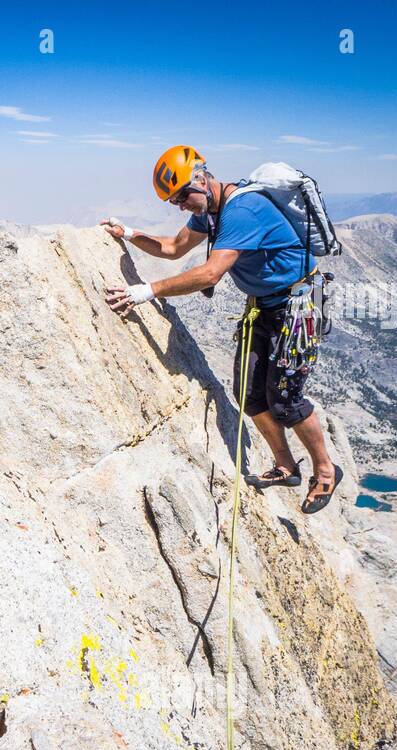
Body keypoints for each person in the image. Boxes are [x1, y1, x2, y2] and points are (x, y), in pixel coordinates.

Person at [103, 145, 343, 514]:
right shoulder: (210, 212)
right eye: (174, 201)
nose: (181, 205)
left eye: (182, 195)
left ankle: (326, 471)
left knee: (286, 400)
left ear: (202, 178)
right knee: (247, 392)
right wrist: (130, 233)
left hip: (297, 308)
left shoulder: (243, 211)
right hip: (265, 306)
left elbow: (210, 273)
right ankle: (286, 466)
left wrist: (146, 292)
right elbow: (173, 248)